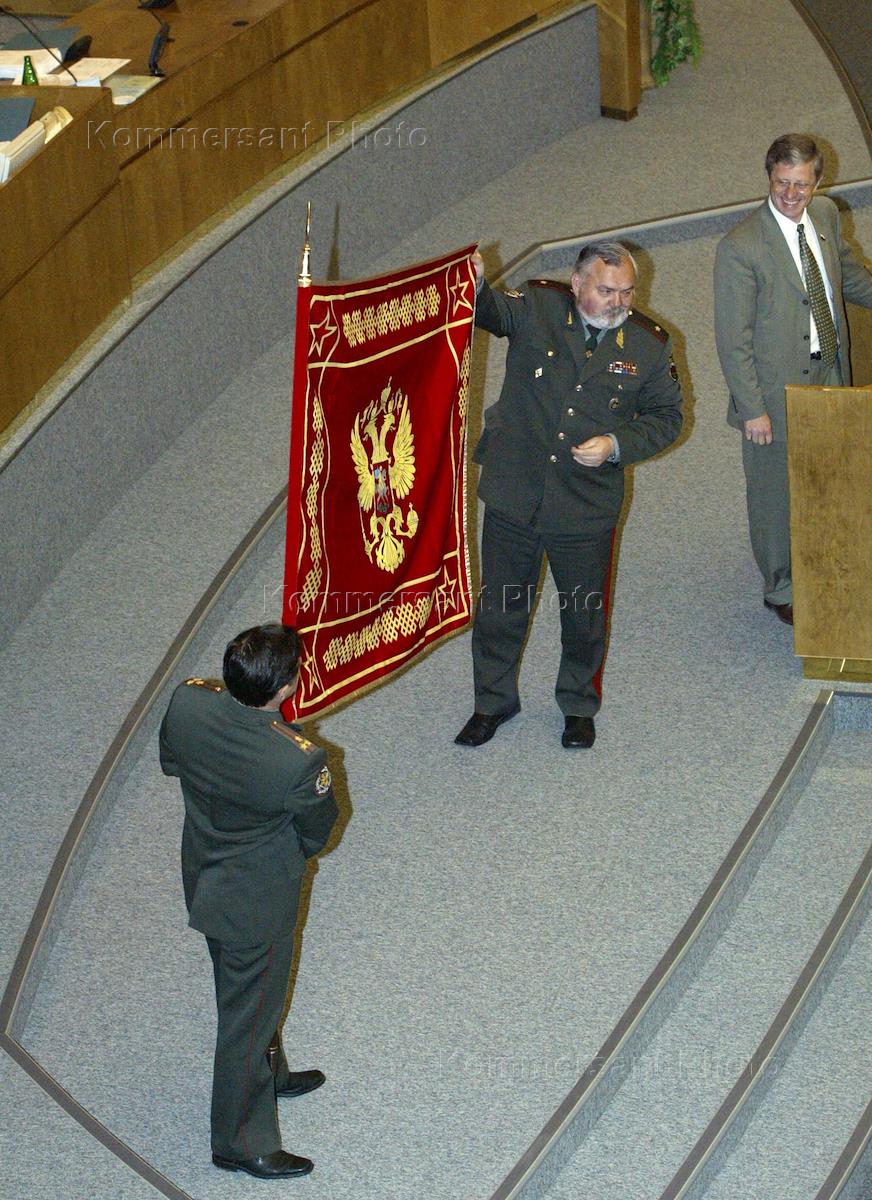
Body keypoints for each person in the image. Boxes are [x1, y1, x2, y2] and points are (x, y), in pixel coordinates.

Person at [455, 241, 683, 749]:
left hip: (584, 505)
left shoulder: (648, 345)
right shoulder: (538, 305)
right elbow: (488, 312)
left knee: (583, 615)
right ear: (577, 283)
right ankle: (492, 701)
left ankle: (578, 705)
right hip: (516, 489)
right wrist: (474, 283)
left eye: (627, 292)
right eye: (606, 290)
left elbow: (668, 418)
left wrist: (616, 445)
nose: (618, 303)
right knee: (500, 608)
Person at [159, 623, 338, 1180]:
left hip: (204, 872)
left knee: (249, 997)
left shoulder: (189, 701)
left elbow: (171, 761)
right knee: (246, 1020)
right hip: (255, 903)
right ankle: (239, 1143)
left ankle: (270, 1071)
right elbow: (317, 833)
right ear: (284, 689)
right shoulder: (297, 760)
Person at [714, 133, 872, 626]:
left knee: (829, 469)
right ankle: (780, 585)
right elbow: (732, 340)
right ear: (769, 176)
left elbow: (846, 275)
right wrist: (752, 410)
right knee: (773, 493)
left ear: (817, 183)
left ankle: (824, 552)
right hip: (772, 393)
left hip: (830, 368)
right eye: (782, 182)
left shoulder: (824, 214)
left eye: (801, 184)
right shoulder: (740, 247)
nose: (790, 194)